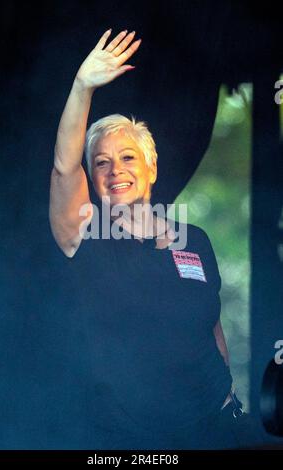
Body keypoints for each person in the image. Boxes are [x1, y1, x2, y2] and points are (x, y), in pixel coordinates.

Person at [49, 29, 245, 449]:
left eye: (126, 157)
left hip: (214, 430)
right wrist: (82, 86)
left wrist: (228, 395)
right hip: (127, 443)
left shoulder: (196, 240)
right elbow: (65, 168)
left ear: (151, 168)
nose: (114, 169)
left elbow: (210, 327)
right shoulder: (86, 236)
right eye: (100, 162)